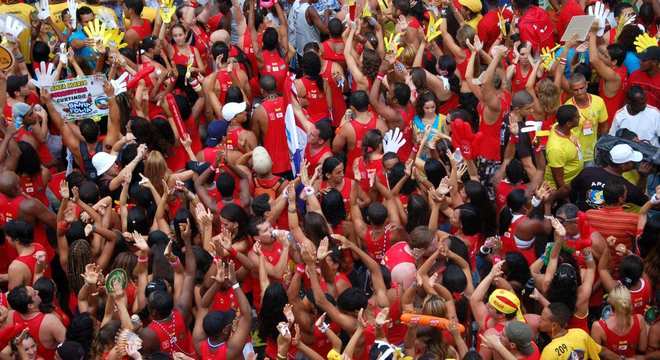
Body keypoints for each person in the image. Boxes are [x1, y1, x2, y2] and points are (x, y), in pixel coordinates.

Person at [570, 143, 649, 211]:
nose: (635, 164)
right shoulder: (627, 188)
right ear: (623, 165)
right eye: (632, 162)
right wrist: (643, 177)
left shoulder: (587, 172)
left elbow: (569, 189)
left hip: (583, 218)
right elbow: (647, 203)